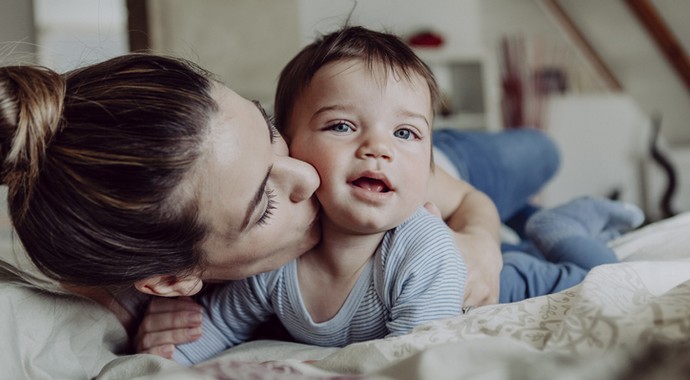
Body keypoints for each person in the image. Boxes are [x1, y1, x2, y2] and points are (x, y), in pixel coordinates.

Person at [139, 26, 644, 365]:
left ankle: (563, 226)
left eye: (406, 133)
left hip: (517, 280)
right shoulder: (275, 260)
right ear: (290, 147)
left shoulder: (420, 250)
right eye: (341, 125)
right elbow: (219, 326)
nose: (378, 147)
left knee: (606, 277)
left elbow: (416, 358)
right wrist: (162, 354)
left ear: (427, 157)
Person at [0, 49, 536, 347]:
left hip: (453, 171)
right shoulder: (113, 259)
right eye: (265, 204)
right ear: (170, 281)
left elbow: (464, 199)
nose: (304, 176)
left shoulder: (369, 161)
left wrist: (480, 236)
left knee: (538, 151)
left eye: (267, 127)